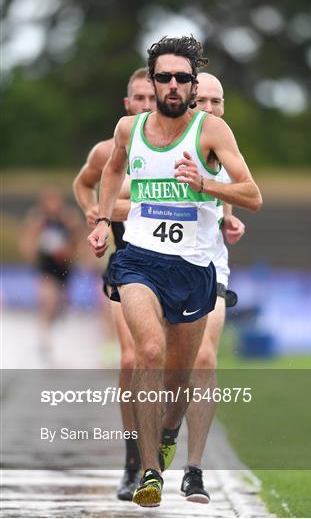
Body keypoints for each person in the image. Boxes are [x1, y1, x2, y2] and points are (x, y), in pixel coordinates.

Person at [88, 35, 262, 508]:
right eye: (162, 76)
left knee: (182, 374)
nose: (171, 85)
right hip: (139, 259)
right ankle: (148, 471)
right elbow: (109, 170)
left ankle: (168, 435)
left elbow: (252, 193)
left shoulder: (211, 132)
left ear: (192, 83)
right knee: (147, 351)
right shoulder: (129, 128)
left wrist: (204, 184)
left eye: (181, 78)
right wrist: (104, 218)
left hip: (194, 266)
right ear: (152, 78)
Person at [73, 68, 155, 501]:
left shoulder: (176, 147)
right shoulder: (109, 150)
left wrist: (115, 209)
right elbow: (84, 182)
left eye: (151, 98)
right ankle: (132, 463)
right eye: (138, 99)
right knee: (130, 358)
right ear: (127, 105)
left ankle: (161, 445)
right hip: (126, 266)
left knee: (169, 363)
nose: (145, 105)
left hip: (172, 266)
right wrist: (94, 213)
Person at [179, 72, 245, 503]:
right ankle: (162, 435)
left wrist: (227, 215)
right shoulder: (157, 136)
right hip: (157, 265)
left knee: (204, 357)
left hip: (209, 265)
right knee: (164, 367)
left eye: (216, 102)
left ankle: (194, 469)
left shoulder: (221, 137)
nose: (209, 109)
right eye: (200, 100)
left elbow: (237, 185)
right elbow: (126, 191)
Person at [20, 185, 81, 363]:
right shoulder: (38, 219)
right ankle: (44, 340)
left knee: (59, 304)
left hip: (64, 269)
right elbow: (28, 242)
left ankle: (55, 317)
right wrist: (33, 253)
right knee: (48, 300)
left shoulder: (69, 219)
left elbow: (78, 243)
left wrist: (69, 253)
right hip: (46, 269)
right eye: (49, 201)